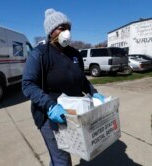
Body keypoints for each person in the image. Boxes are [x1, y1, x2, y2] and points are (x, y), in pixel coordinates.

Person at [22, 8, 105, 166]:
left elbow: (82, 79)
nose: (67, 32)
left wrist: (94, 93)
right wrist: (50, 106)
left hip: (74, 112)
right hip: (51, 115)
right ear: (51, 31)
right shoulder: (39, 54)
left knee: (68, 151)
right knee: (62, 159)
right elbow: (27, 85)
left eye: (68, 28)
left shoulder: (74, 53)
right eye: (62, 28)